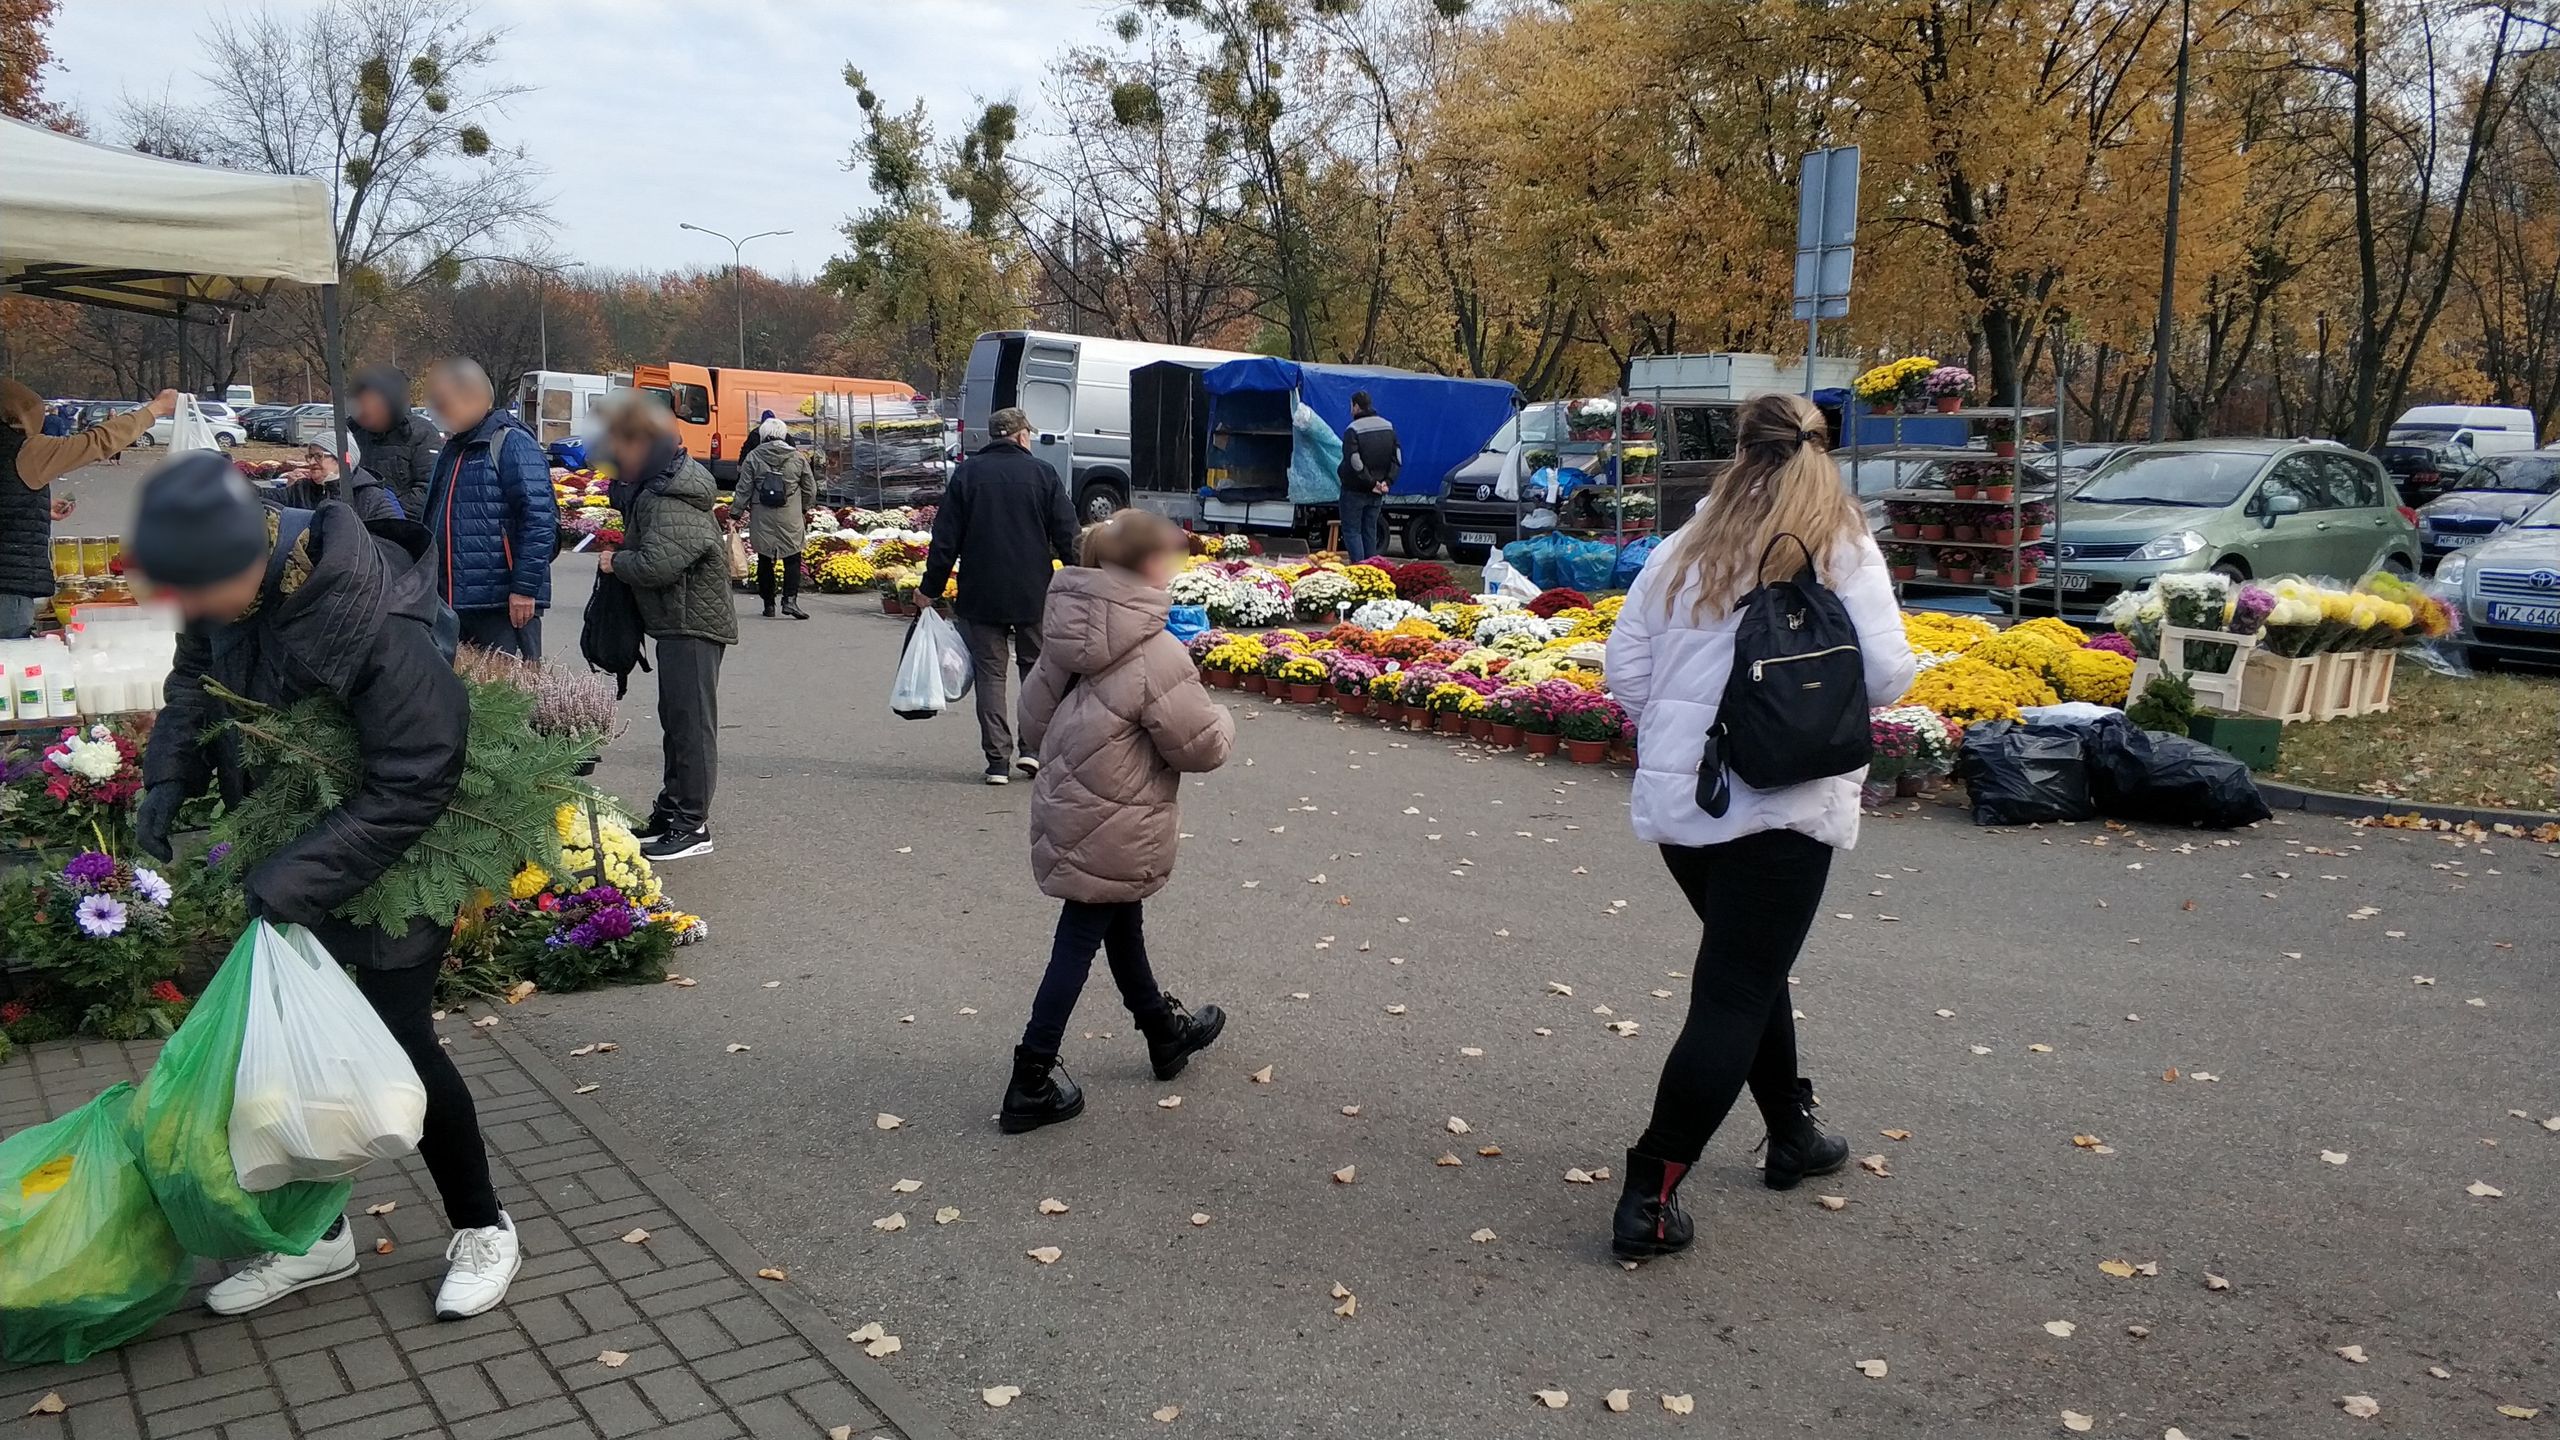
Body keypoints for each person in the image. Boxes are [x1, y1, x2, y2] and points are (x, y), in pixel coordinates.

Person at [125, 450, 520, 1320]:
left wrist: (296, 875)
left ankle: (483, 1225)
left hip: (397, 857)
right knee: (288, 1054)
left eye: (199, 595)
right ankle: (318, 1236)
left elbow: (418, 770)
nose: (193, 611)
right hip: (292, 845)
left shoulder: (369, 611)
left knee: (399, 1044)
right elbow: (197, 677)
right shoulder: (223, 586)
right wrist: (168, 774)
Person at [1599, 391, 1915, 1263]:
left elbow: (1625, 668)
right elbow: (1886, 676)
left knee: (1748, 969)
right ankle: (1651, 1193)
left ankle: (1791, 1134)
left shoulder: (1687, 543)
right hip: (1784, 799)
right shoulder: (1839, 544)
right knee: (1737, 988)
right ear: (1823, 449)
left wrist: (1683, 731)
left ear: (1739, 451)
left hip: (1686, 802)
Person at [1000, 509, 1235, 1133]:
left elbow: (1031, 724)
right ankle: (1030, 1077)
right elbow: (1201, 748)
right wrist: (1225, 719)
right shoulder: (1156, 651)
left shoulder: (1064, 635)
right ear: (1149, 567)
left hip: (1071, 809)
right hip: (1120, 817)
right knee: (1080, 936)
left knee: (1118, 918)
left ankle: (1162, 1032)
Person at [595, 400, 735, 861]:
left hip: (692, 623)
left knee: (691, 727)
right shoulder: (659, 487)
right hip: (677, 621)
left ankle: (692, 824)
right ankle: (672, 810)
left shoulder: (672, 495)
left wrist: (616, 562)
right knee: (677, 723)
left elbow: (659, 564)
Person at [918, 405, 1080, 784]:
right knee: (1036, 672)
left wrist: (930, 589)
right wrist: (1082, 579)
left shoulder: (967, 474)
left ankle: (996, 762)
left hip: (981, 591)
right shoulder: (1043, 474)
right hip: (1033, 592)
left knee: (990, 674)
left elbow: (945, 540)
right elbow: (1068, 535)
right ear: (1022, 436)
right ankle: (1032, 750)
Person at [1, 381, 178, 638]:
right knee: (10, 656)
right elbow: (96, 442)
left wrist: (35, 505)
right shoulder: (24, 450)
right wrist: (155, 409)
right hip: (7, 590)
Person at [421, 358, 557, 659]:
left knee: (507, 684)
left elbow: (539, 520)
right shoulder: (455, 448)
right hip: (454, 599)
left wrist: (524, 589)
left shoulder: (511, 442)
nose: (439, 413)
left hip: (501, 603)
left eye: (445, 404)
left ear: (475, 397)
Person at [739, 416, 816, 620]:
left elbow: (744, 488)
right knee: (793, 557)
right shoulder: (797, 457)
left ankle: (769, 604)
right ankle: (790, 600)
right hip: (790, 513)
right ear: (783, 434)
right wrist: (803, 508)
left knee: (765, 558)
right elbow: (810, 488)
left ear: (763, 434)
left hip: (762, 513)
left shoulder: (753, 457)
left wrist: (735, 512)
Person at [349, 364, 441, 517]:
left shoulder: (421, 433)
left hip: (401, 522)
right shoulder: (353, 431)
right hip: (358, 520)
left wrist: (388, 514)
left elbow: (429, 488)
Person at [1335, 390, 1399, 563]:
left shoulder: (1353, 430)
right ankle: (1371, 569)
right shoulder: (1388, 427)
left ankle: (1358, 569)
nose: (1350, 410)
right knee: (1370, 530)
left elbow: (1354, 462)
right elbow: (1397, 458)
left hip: (1354, 490)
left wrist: (1371, 483)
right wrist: (1386, 482)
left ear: (1356, 406)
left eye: (1351, 406)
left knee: (1352, 531)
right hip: (1378, 491)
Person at [279, 444, 403, 522]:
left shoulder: (371, 496)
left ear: (341, 459)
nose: (311, 462)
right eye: (310, 457)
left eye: (318, 456)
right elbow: (269, 497)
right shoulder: (301, 488)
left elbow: (394, 537)